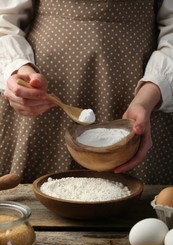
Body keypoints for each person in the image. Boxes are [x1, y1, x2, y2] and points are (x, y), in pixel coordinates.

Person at [0, 0, 173, 184]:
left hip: (140, 95)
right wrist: (17, 69)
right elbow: (4, 20)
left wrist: (150, 93)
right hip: (42, 94)